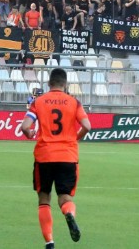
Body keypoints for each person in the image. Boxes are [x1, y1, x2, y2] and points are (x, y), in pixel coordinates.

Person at [21, 68, 91, 249]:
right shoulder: (74, 102)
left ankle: (49, 242)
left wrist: (29, 133)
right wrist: (75, 138)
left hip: (44, 156)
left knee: (44, 198)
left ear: (49, 84)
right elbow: (87, 126)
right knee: (65, 198)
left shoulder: (38, 101)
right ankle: (69, 214)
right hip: (67, 156)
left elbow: (25, 126)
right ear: (65, 84)